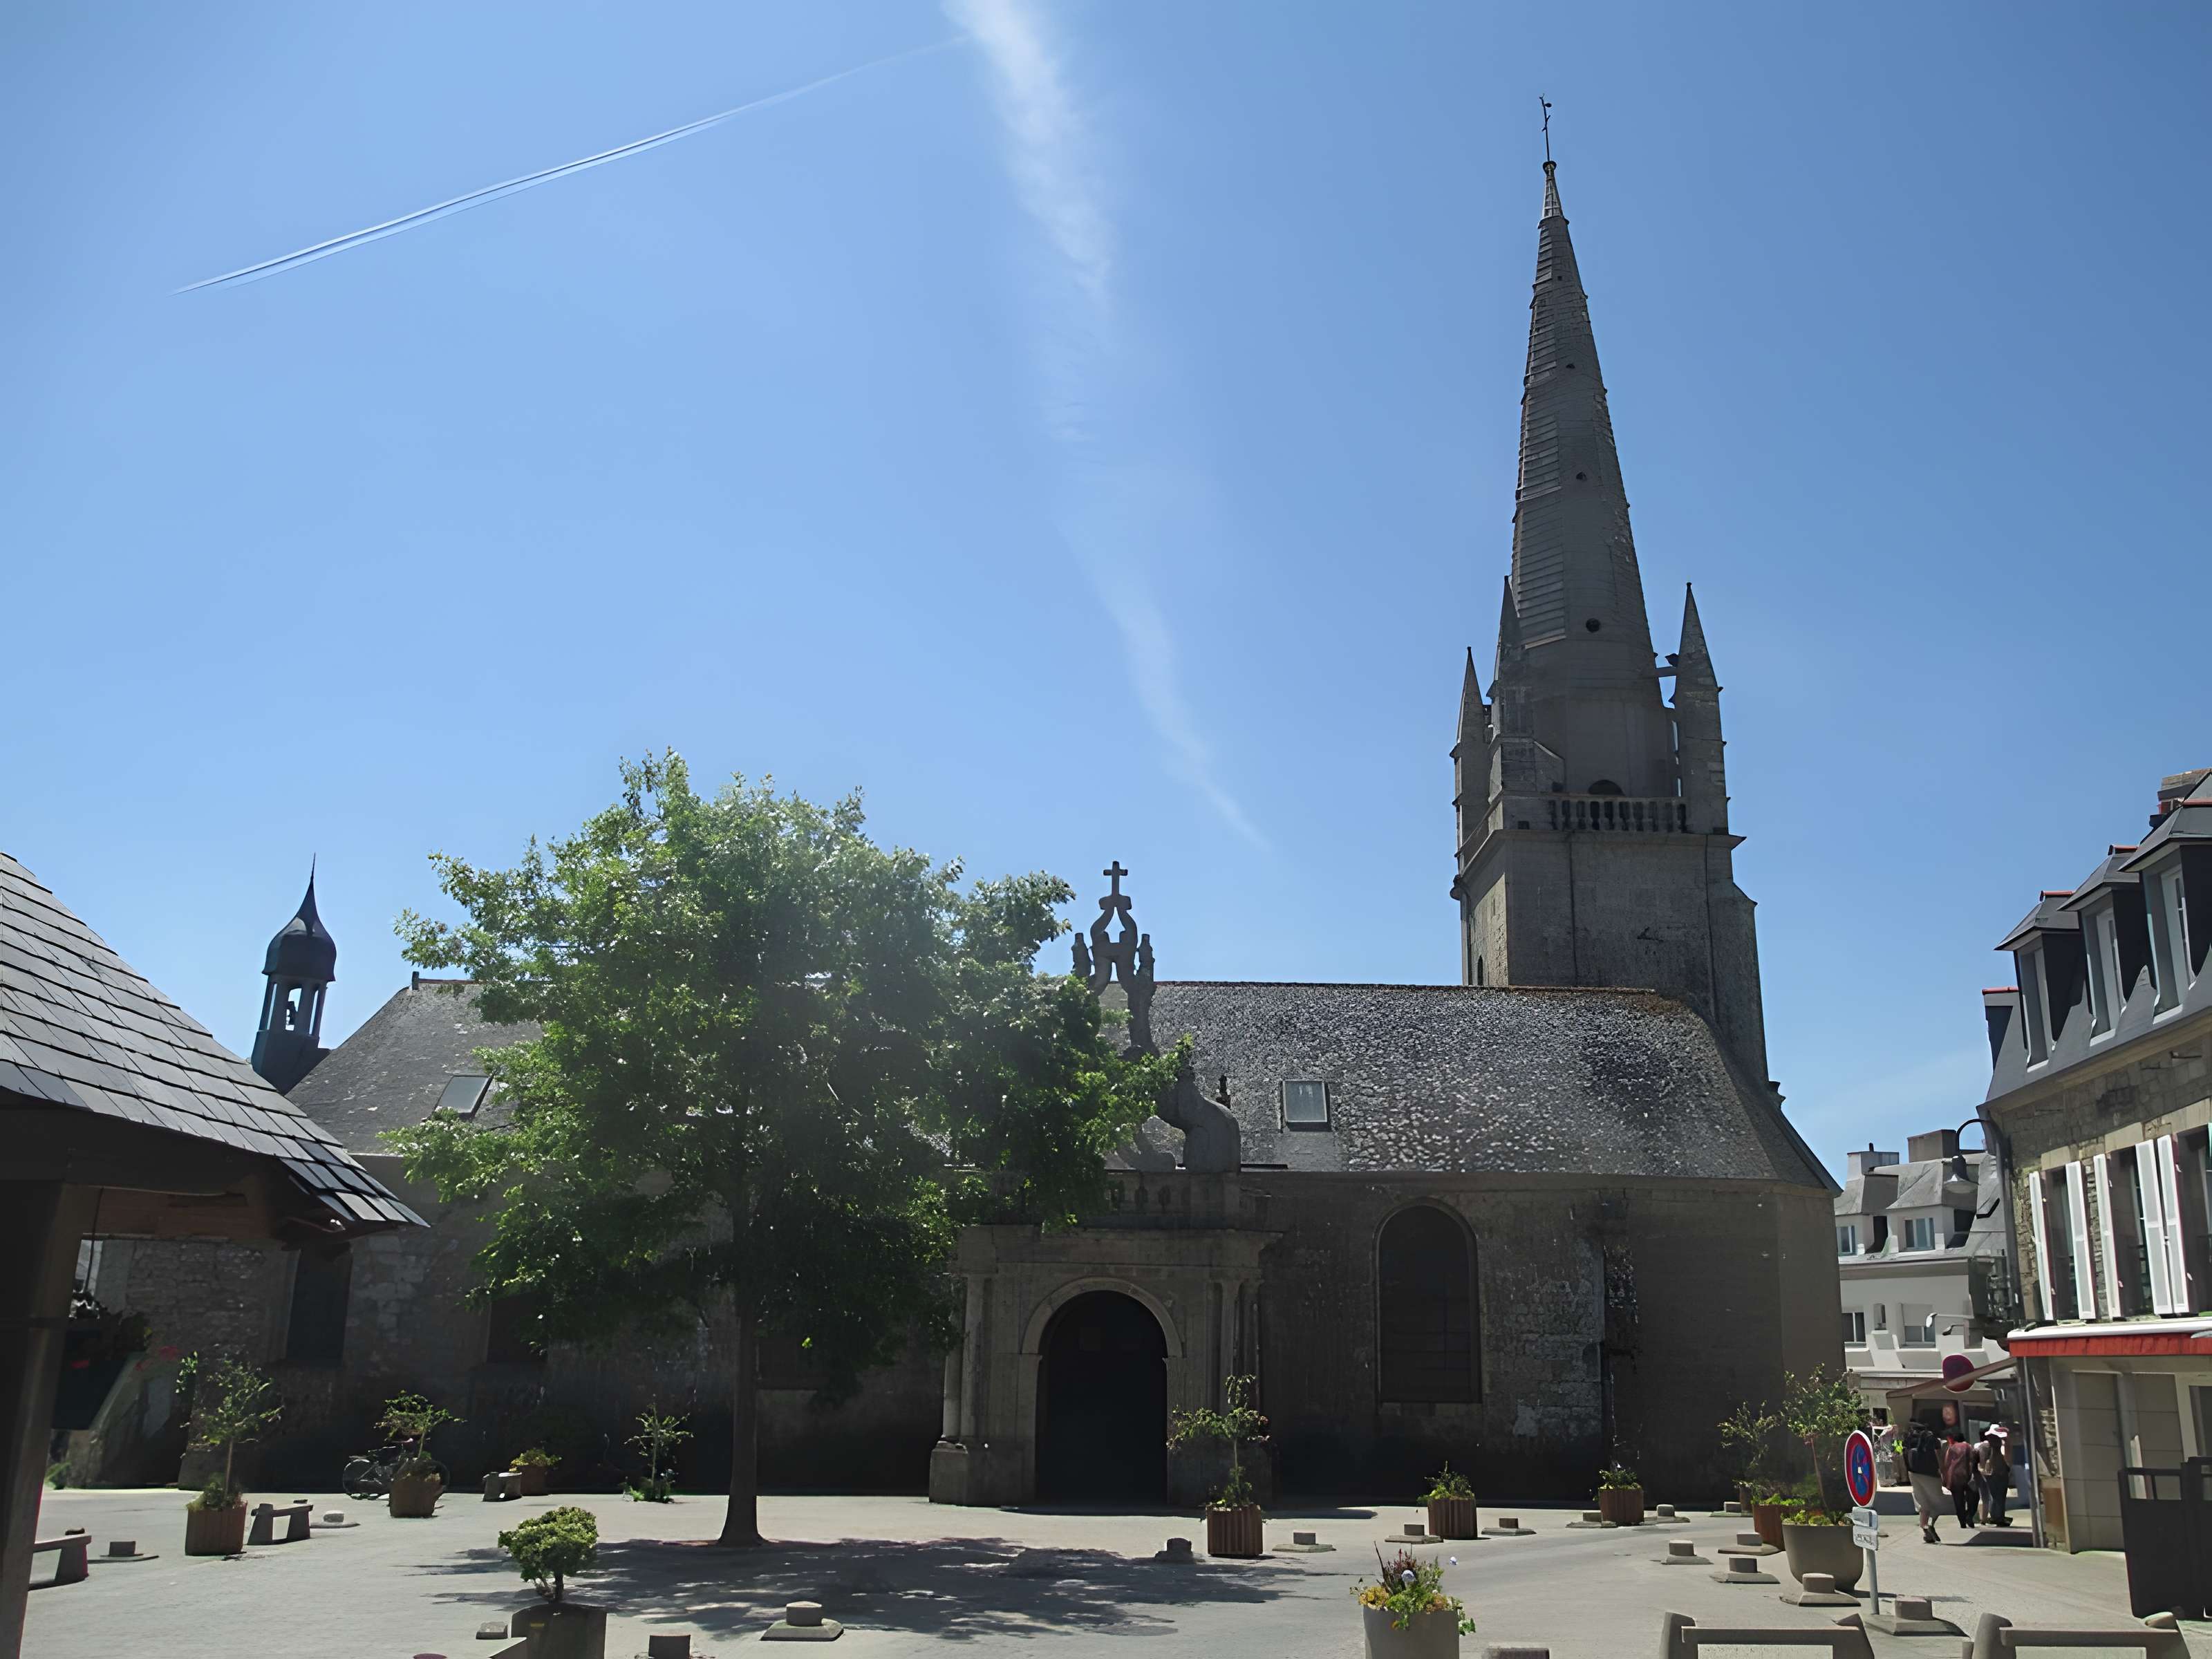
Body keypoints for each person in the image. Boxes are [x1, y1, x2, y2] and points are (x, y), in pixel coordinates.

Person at [1904, 1420, 1945, 1542]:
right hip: (1931, 1474)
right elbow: (1939, 1458)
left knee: (1924, 1504)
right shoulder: (1934, 1439)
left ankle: (1926, 1531)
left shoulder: (1909, 1438)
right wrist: (1943, 1472)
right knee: (1938, 1504)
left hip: (1913, 1473)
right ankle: (1931, 1524)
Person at [1944, 1428, 1980, 1530]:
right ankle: (1969, 1516)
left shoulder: (1951, 1448)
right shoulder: (1968, 1446)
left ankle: (1962, 1522)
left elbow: (1947, 1463)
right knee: (1974, 1497)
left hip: (1954, 1476)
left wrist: (1946, 1478)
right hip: (1967, 1475)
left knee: (1958, 1500)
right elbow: (1973, 1458)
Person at [1978, 1425, 2011, 1526]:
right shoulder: (2001, 1444)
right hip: (2000, 1473)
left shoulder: (1985, 1446)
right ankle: (1998, 1518)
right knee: (2000, 1497)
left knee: (1996, 1497)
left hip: (1991, 1474)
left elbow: (1982, 1461)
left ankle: (1996, 1517)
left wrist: (1983, 1471)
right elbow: (2008, 1459)